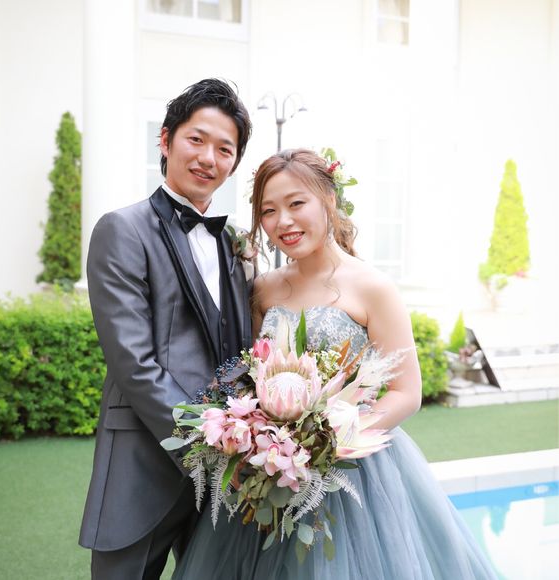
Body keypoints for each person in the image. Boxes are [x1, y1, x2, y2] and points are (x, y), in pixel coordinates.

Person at [172, 149, 498, 579]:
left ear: (328, 199)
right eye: (268, 211)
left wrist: (324, 445)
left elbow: (406, 392)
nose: (283, 221)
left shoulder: (373, 287)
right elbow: (252, 374)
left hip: (354, 472)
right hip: (271, 468)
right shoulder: (264, 289)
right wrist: (261, 440)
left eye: (296, 203)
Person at [79, 78, 253, 580]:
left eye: (225, 149)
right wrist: (206, 447)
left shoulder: (233, 243)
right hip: (144, 461)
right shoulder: (122, 229)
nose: (208, 158)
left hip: (226, 474)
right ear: (165, 139)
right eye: (196, 139)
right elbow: (134, 363)